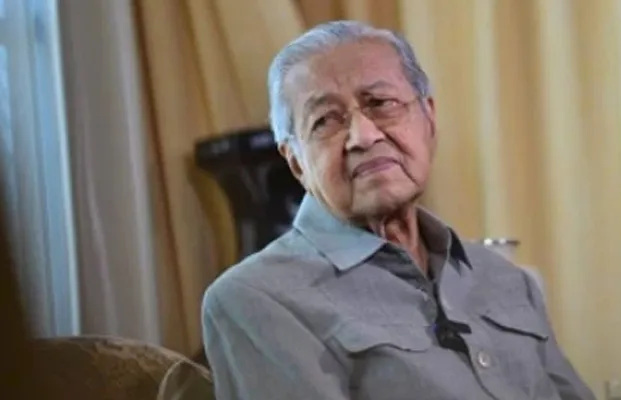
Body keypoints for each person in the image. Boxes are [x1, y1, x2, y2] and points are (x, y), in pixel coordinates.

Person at [202, 20, 595, 400]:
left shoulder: (507, 279)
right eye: (325, 120)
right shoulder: (256, 299)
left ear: (429, 119)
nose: (363, 136)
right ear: (296, 163)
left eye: (381, 103)